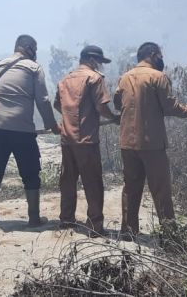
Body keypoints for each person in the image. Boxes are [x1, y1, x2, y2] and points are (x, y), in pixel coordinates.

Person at [113, 42, 187, 238]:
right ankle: (169, 235)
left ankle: (128, 231)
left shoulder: (124, 78)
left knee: (131, 187)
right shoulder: (158, 77)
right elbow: (171, 108)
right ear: (152, 54)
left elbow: (117, 103)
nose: (161, 59)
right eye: (160, 55)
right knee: (161, 189)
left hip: (127, 143)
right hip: (151, 143)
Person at [0, 34, 60, 227]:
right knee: (30, 172)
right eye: (35, 50)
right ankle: (34, 218)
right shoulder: (34, 68)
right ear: (28, 48)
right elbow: (43, 100)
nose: (36, 54)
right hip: (22, 130)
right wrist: (52, 125)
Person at [53, 45, 120, 237]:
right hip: (87, 141)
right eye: (99, 62)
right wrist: (114, 118)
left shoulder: (65, 79)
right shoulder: (94, 78)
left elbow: (57, 104)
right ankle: (95, 226)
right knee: (93, 183)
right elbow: (101, 107)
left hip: (67, 139)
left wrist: (69, 117)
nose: (100, 66)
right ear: (91, 60)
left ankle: (66, 219)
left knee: (67, 180)